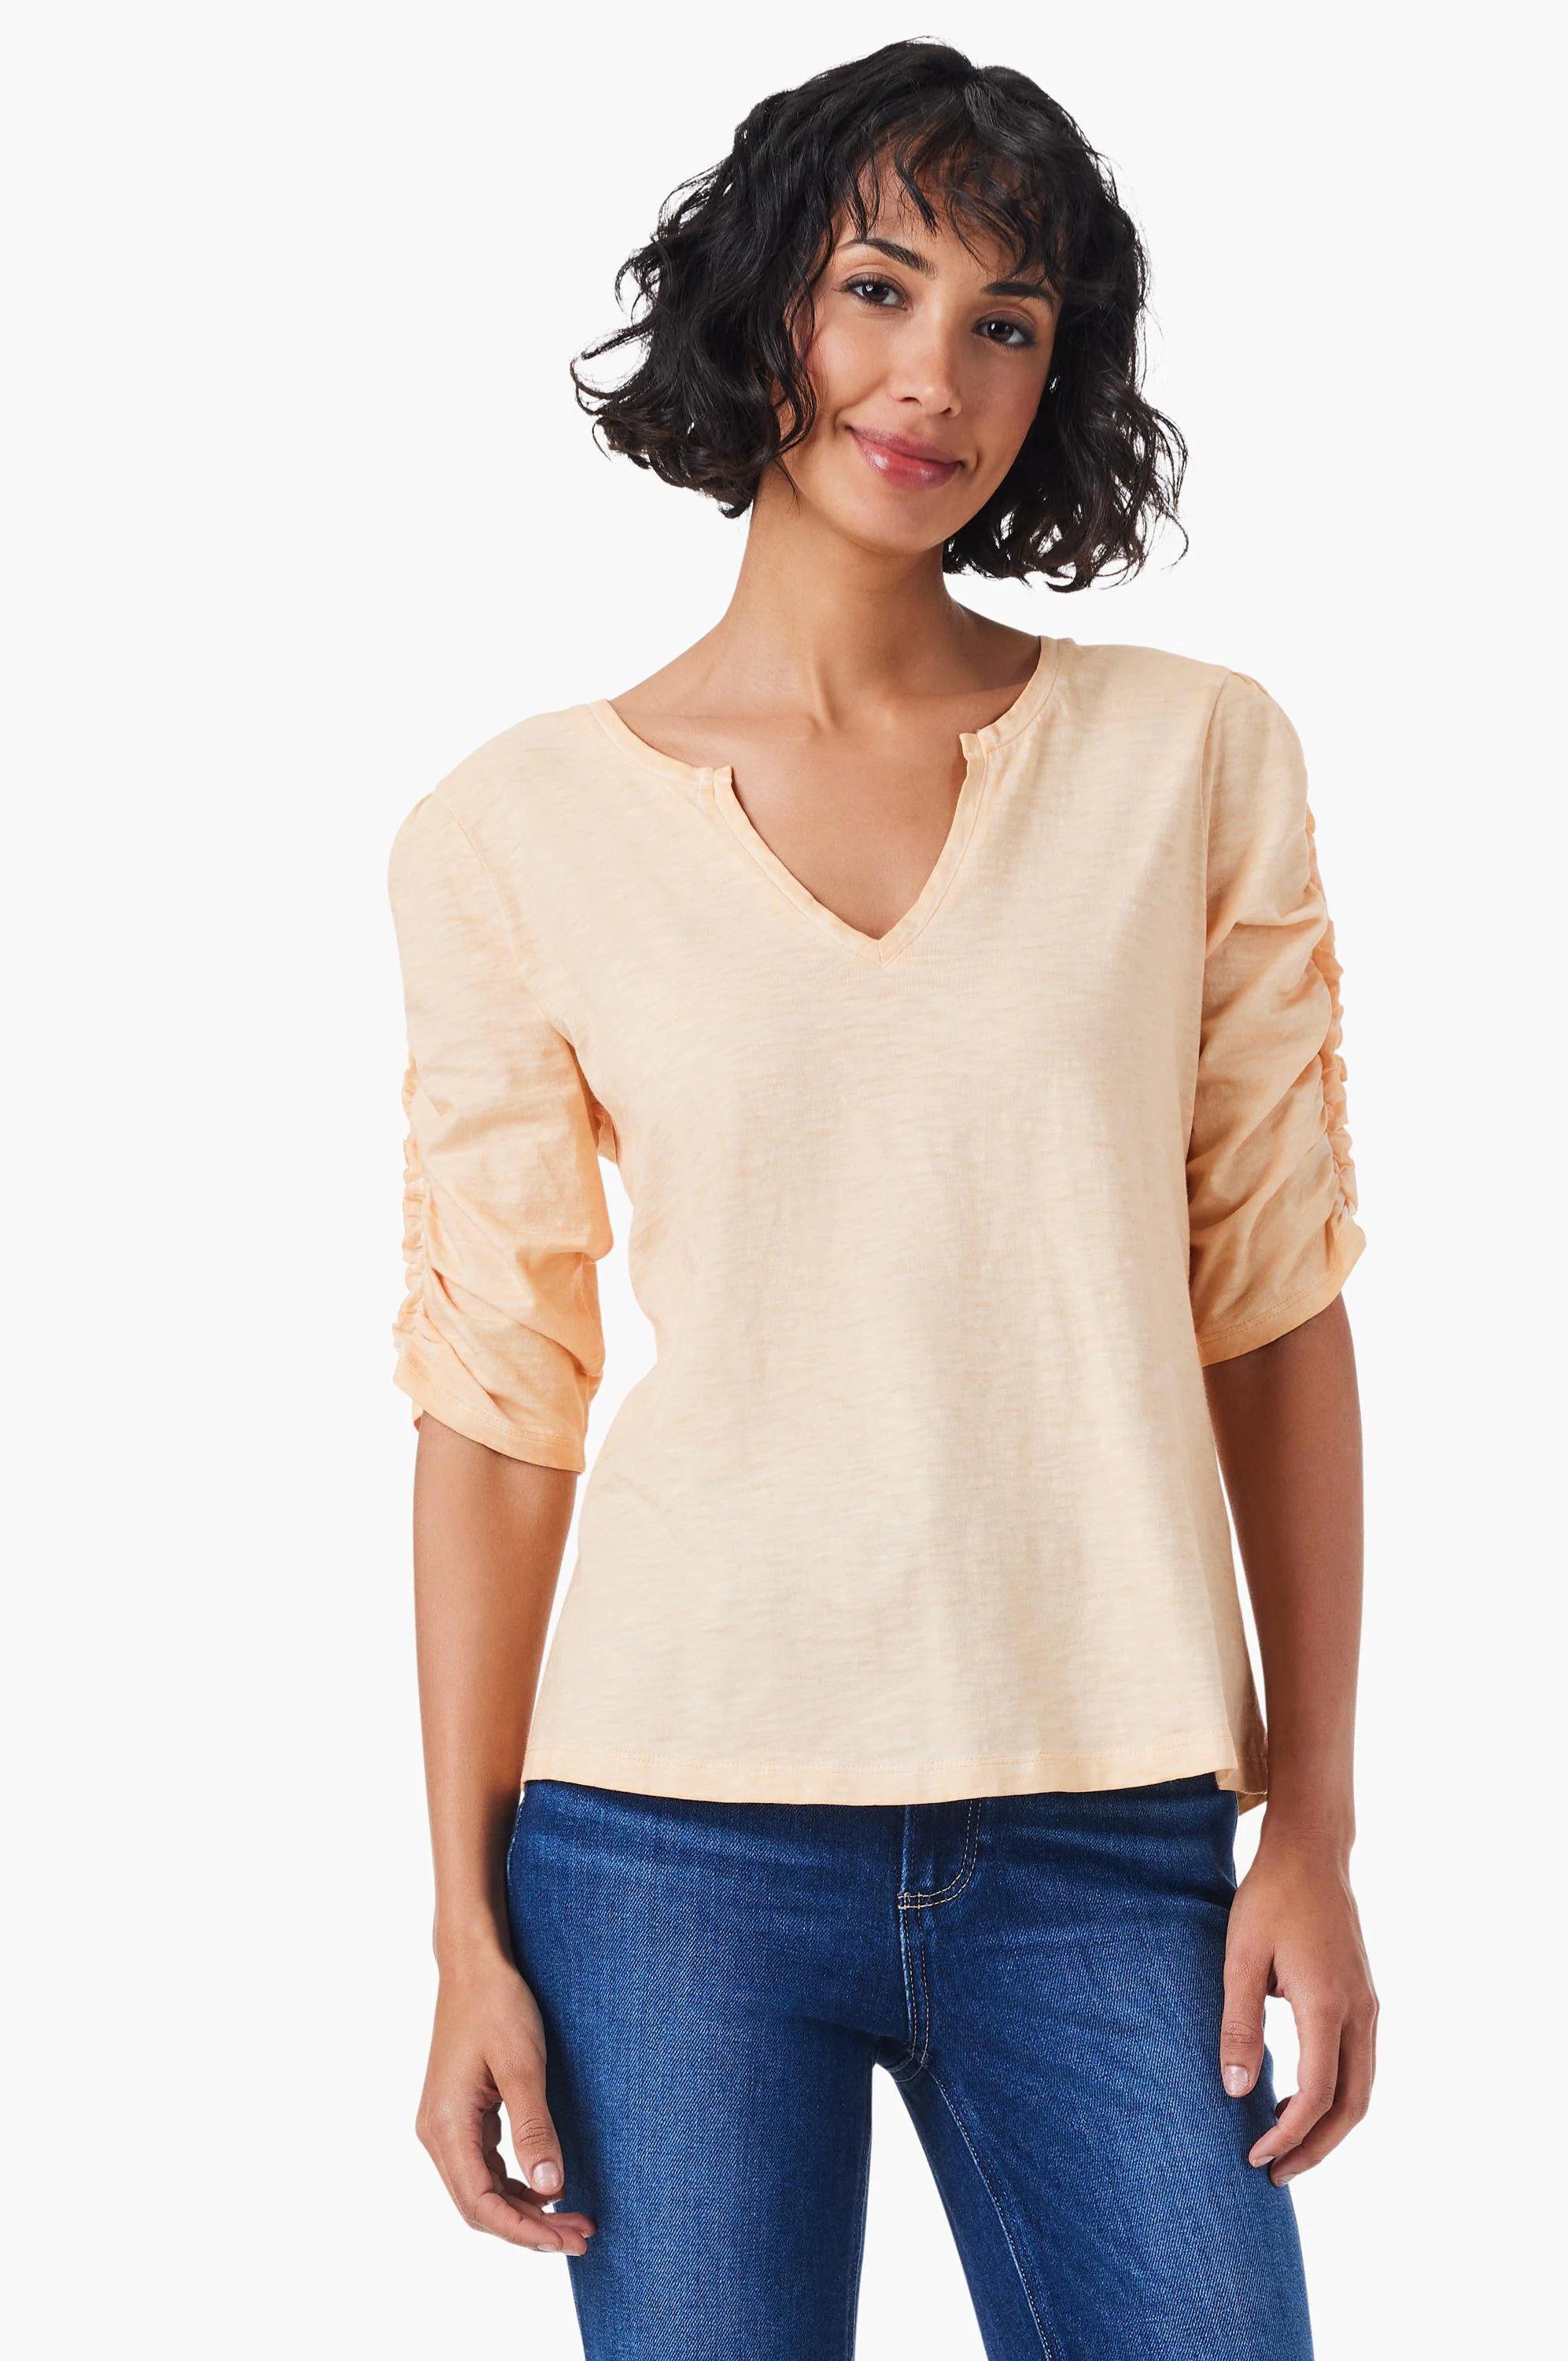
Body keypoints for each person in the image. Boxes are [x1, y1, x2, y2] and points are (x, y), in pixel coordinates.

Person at [387, 39, 1376, 2361]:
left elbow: (1273, 1306)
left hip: (1110, 1829)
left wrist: (1315, 1825)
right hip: (661, 1848)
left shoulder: (1189, 757)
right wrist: (461, 1928)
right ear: (764, 309)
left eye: (1006, 321)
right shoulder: (511, 831)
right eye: (877, 288)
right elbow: (497, 1405)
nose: (934, 375)